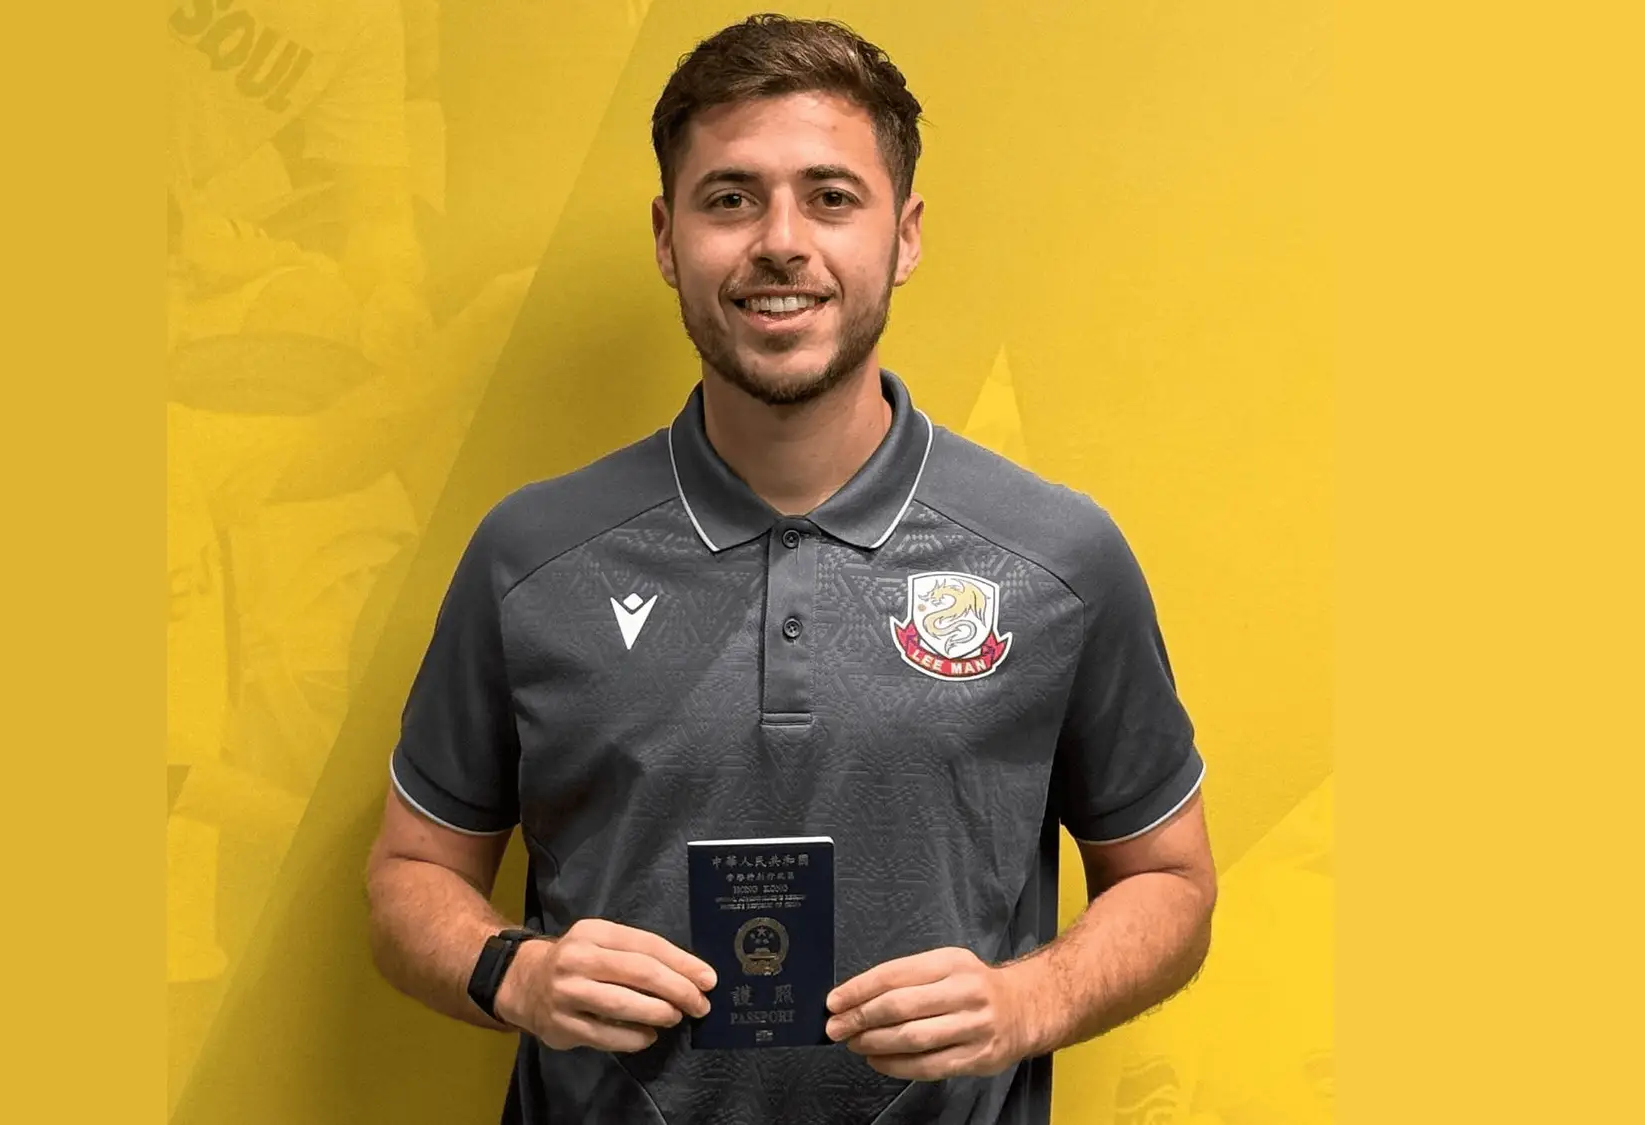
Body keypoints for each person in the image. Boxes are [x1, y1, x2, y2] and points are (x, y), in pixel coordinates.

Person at [366, 14, 1217, 1124]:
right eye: (730, 198)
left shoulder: (1057, 558)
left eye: (830, 197)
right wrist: (516, 974)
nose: (780, 242)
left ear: (903, 235)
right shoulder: (529, 556)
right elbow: (410, 876)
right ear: (667, 237)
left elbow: (1170, 879)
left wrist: (1027, 1001)